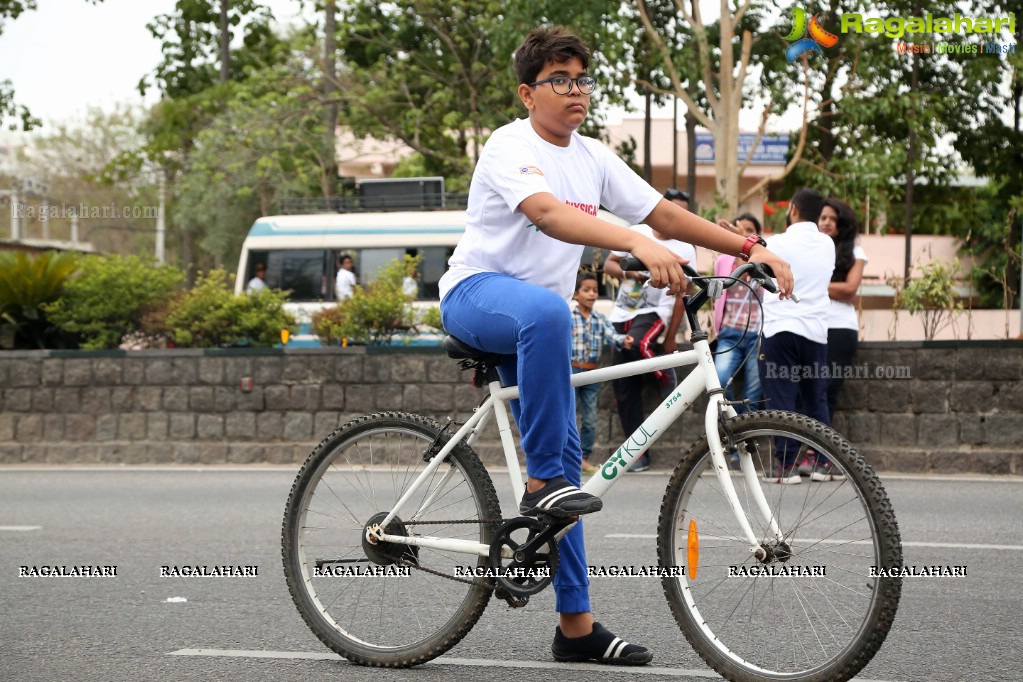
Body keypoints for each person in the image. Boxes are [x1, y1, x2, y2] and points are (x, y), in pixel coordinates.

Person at [438, 26, 792, 665]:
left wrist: (748, 247)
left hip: (535, 324)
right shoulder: (507, 145)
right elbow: (548, 214)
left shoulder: (595, 156)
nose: (576, 90)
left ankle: (576, 629)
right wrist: (631, 242)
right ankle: (542, 483)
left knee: (572, 470)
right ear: (528, 93)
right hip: (478, 295)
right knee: (550, 349)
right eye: (560, 80)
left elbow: (665, 215)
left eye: (582, 79)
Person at [603, 202, 697, 473]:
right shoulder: (637, 232)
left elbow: (684, 293)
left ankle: (665, 375)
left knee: (641, 344)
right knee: (624, 388)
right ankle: (637, 455)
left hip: (654, 311)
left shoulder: (684, 247)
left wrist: (671, 338)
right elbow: (610, 263)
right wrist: (627, 271)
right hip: (622, 312)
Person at [757, 188, 839, 484]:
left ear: (792, 208)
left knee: (781, 397)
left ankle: (787, 465)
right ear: (818, 214)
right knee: (816, 397)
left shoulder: (777, 242)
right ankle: (822, 463)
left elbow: (756, 269)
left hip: (780, 328)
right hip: (816, 331)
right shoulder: (828, 244)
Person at [571, 272, 633, 475]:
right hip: (570, 372)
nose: (591, 294)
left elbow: (611, 335)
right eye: (586, 290)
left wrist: (624, 340)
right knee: (568, 416)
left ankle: (583, 458)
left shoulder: (599, 318)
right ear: (575, 294)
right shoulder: (567, 317)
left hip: (591, 373)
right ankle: (568, 458)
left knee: (590, 418)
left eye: (595, 290)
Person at [818, 198, 868, 418]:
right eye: (823, 217)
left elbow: (849, 289)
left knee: (827, 389)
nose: (827, 222)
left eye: (833, 219)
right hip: (810, 326)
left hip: (840, 328)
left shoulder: (856, 252)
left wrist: (810, 284)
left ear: (842, 224)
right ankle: (805, 448)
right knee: (806, 389)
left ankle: (819, 450)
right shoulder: (809, 249)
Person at [712, 214, 764, 415]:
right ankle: (735, 429)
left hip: (756, 337)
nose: (746, 233)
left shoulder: (763, 261)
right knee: (720, 382)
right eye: (742, 229)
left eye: (751, 230)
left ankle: (747, 440)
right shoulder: (724, 261)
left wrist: (746, 241)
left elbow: (759, 277)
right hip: (729, 332)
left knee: (753, 392)